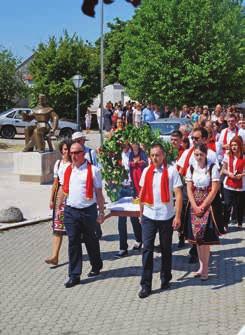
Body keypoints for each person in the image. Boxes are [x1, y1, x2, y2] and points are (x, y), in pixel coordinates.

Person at [138, 144, 183, 298]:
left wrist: (177, 216)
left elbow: (178, 193)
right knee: (147, 250)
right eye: (152, 155)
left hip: (166, 216)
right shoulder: (146, 171)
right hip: (149, 216)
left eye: (157, 155)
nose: (154, 158)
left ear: (163, 156)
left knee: (165, 249)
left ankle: (165, 278)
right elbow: (142, 193)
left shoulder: (171, 171)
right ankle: (146, 285)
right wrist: (141, 213)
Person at [58, 142, 105, 288]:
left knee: (91, 240)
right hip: (71, 211)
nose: (73, 155)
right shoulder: (67, 169)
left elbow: (98, 192)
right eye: (71, 153)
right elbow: (62, 189)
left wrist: (101, 211)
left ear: (83, 153)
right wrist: (59, 207)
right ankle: (74, 275)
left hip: (88, 211)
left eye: (77, 153)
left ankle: (96, 265)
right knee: (73, 242)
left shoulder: (93, 170)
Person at [183, 143, 225, 280]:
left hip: (208, 205)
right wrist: (194, 206)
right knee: (197, 238)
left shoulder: (212, 168)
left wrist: (204, 205)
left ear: (206, 154)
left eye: (201, 154)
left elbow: (214, 190)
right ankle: (201, 267)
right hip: (194, 204)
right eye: (196, 154)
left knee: (205, 239)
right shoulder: (191, 168)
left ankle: (206, 268)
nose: (198, 157)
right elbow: (189, 188)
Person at [45, 140, 72, 266]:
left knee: (73, 230)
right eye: (65, 149)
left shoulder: (75, 164)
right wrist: (52, 199)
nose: (66, 152)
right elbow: (56, 183)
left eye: (68, 149)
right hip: (60, 198)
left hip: (72, 197)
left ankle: (76, 255)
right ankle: (55, 256)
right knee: (58, 228)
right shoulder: (59, 163)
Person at [115, 143, 143, 258]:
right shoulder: (115, 154)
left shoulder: (133, 153)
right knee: (121, 219)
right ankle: (123, 248)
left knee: (134, 217)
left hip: (132, 188)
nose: (121, 143)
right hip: (121, 188)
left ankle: (139, 239)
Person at [221, 136, 245, 229]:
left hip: (241, 185)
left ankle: (239, 222)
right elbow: (223, 169)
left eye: (235, 145)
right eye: (232, 145)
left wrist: (242, 175)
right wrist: (229, 174)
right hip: (228, 185)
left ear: (239, 145)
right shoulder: (227, 155)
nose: (233, 147)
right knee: (227, 205)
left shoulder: (244, 156)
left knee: (240, 205)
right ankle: (225, 224)